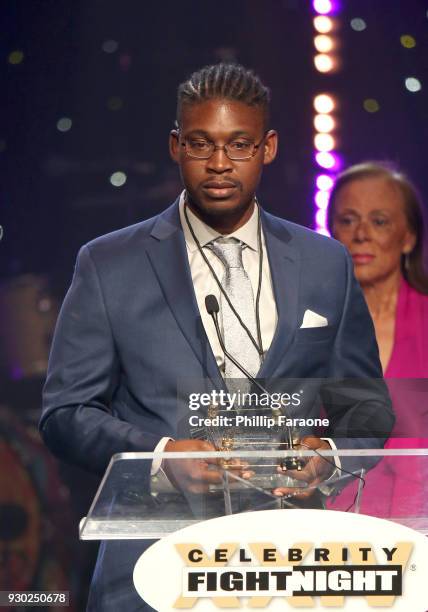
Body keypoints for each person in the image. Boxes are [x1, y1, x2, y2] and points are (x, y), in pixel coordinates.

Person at [40, 65, 393, 611]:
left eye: (240, 145)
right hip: (153, 566)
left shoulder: (325, 263)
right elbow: (65, 413)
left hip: (289, 567)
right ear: (176, 146)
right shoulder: (110, 264)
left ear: (268, 147)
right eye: (201, 144)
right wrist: (159, 458)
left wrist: (329, 455)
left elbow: (365, 408)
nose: (221, 164)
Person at [327, 161, 428, 517]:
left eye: (379, 221)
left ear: (409, 237)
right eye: (348, 220)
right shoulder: (306, 326)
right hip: (333, 526)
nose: (361, 234)